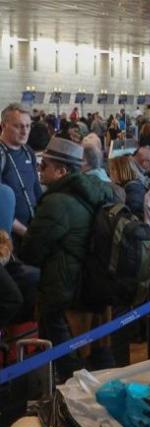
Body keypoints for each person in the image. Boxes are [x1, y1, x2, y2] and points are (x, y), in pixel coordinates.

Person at [19, 137, 115, 381]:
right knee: (101, 361)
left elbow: (31, 251)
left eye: (44, 166)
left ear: (61, 170)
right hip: (94, 289)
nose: (39, 171)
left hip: (62, 294)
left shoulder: (56, 202)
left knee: (69, 369)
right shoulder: (98, 191)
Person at [0, 104, 43, 240]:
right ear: (3, 126)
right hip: (9, 235)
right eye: (18, 126)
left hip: (32, 229)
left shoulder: (28, 152)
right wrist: (26, 233)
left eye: (28, 126)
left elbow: (36, 189)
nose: (25, 131)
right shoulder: (2, 155)